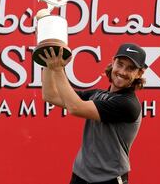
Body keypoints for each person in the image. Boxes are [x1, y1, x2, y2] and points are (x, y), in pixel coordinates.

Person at [39, 43, 148, 184]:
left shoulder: (128, 104)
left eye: (130, 68)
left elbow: (75, 108)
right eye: (120, 64)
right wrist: (49, 62)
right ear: (113, 62)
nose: (122, 71)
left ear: (139, 73)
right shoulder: (97, 94)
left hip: (109, 179)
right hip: (80, 175)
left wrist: (58, 70)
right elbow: (50, 95)